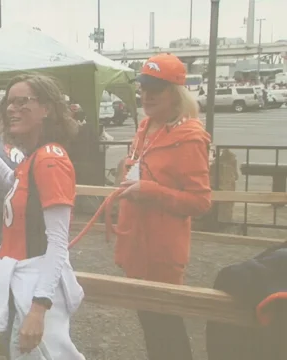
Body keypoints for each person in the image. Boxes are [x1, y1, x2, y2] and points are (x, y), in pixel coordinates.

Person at [0, 74, 86, 359]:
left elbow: (58, 243)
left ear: (47, 109)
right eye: (8, 103)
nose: (12, 109)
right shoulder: (31, 159)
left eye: (23, 102)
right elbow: (11, 181)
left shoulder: (49, 159)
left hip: (34, 291)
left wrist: (38, 309)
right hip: (18, 286)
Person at [114, 53, 212, 360]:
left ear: (176, 93)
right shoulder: (145, 127)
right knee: (151, 327)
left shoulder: (190, 138)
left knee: (167, 331)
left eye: (156, 88)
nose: (147, 95)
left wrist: (151, 191)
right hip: (137, 246)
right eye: (143, 87)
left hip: (162, 253)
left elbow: (200, 202)